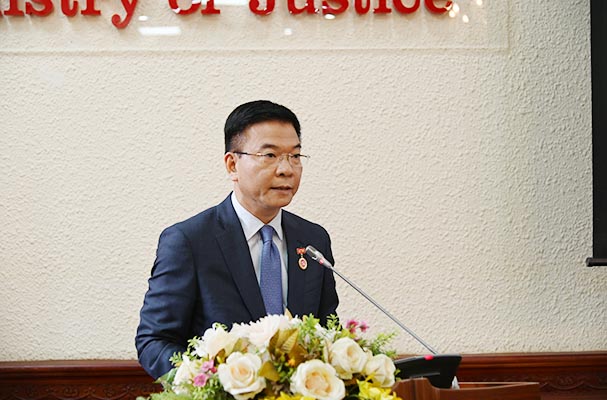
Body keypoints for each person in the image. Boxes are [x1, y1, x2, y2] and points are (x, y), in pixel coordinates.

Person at [135, 100, 339, 379]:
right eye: (270, 155)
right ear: (232, 165)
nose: (287, 169)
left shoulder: (313, 239)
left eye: (295, 156)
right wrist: (208, 384)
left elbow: (327, 331)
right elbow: (154, 341)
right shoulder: (189, 242)